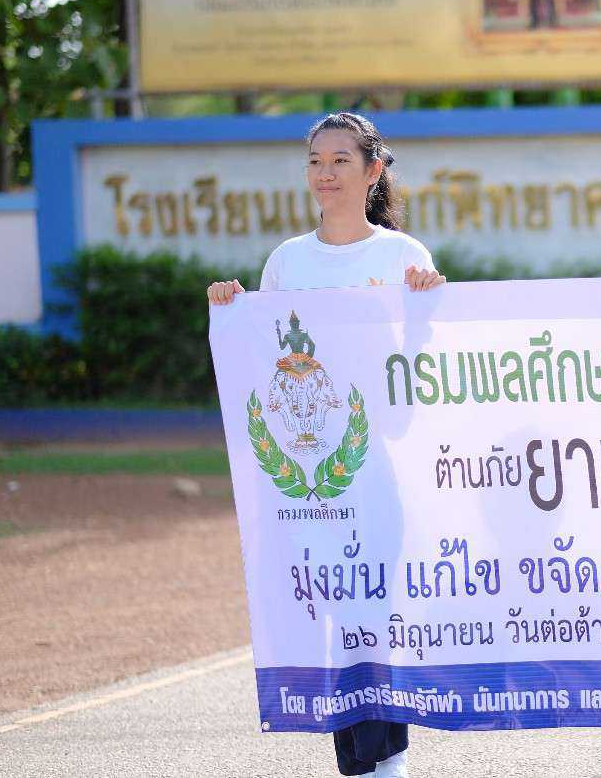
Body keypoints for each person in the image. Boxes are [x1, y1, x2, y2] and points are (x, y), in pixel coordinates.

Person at [208, 112, 445, 778]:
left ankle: (385, 759)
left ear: (373, 171)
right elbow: (267, 362)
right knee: (335, 607)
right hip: (309, 474)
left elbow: (425, 363)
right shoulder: (287, 261)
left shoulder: (403, 256)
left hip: (378, 465)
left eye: (341, 160)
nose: (326, 173)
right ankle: (363, 758)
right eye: (316, 160)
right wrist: (232, 305)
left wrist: (427, 305)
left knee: (373, 605)